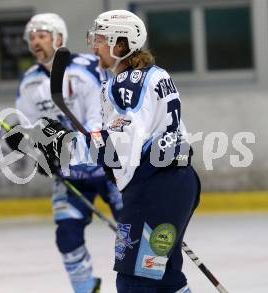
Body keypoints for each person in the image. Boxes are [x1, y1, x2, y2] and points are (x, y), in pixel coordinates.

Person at [34, 10, 201, 293]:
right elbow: (128, 137)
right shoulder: (155, 74)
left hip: (154, 189)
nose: (93, 45)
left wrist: (68, 146)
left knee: (136, 281)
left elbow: (120, 149)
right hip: (179, 183)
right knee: (163, 278)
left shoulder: (125, 85)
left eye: (99, 39)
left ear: (120, 44)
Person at [5, 13, 123, 293]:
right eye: (31, 37)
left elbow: (99, 120)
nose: (35, 41)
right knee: (67, 235)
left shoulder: (85, 69)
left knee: (133, 227)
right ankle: (85, 287)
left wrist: (68, 149)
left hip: (109, 166)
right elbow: (31, 128)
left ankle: (149, 280)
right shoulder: (30, 82)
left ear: (59, 38)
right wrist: (30, 147)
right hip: (70, 174)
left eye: (42, 35)